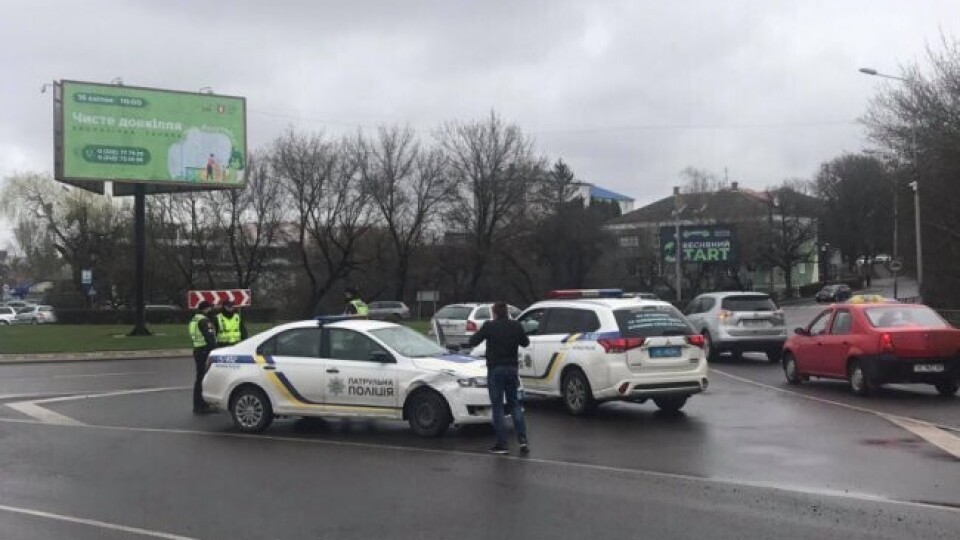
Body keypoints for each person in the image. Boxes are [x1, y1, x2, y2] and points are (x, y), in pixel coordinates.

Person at [468, 301, 530, 455]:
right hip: (512, 368)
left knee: (497, 407)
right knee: (514, 404)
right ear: (508, 312)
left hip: (495, 369)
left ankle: (502, 444)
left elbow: (473, 341)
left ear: (494, 313)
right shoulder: (515, 326)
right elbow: (526, 342)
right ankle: (522, 441)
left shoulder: (490, 326)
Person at [189, 301, 217, 414]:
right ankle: (201, 405)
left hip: (197, 350)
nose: (211, 310)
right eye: (210, 308)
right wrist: (214, 350)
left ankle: (198, 404)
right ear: (206, 309)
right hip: (204, 351)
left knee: (199, 378)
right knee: (203, 379)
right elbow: (210, 338)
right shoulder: (204, 321)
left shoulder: (194, 320)